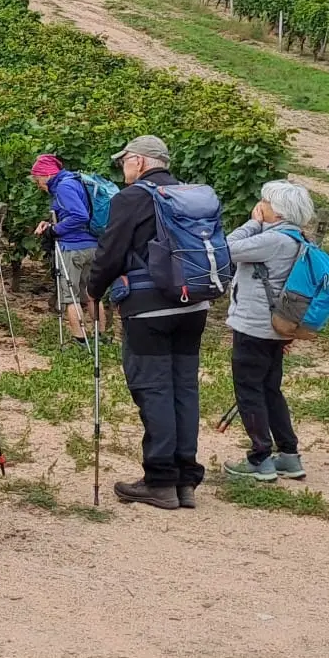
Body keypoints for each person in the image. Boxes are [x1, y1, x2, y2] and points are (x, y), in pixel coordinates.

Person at [86, 135, 208, 511]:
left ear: (139, 162)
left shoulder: (133, 198)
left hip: (148, 307)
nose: (123, 169)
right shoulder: (192, 196)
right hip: (194, 305)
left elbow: (110, 251)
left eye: (125, 162)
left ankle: (159, 480)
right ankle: (185, 480)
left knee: (153, 388)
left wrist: (93, 291)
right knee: (183, 388)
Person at [222, 181, 315, 483]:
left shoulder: (273, 240)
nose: (260, 205)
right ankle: (289, 455)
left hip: (254, 326)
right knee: (270, 389)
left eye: (264, 202)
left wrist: (252, 222)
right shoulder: (298, 237)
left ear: (277, 210)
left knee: (249, 390)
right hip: (278, 325)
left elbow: (227, 248)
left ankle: (260, 458)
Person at [31, 154, 96, 345]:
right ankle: (101, 338)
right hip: (92, 244)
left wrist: (54, 230)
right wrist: (49, 223)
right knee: (93, 293)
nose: (38, 185)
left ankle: (80, 340)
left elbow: (79, 216)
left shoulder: (64, 187)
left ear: (47, 175)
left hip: (73, 247)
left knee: (70, 296)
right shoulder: (76, 182)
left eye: (38, 179)